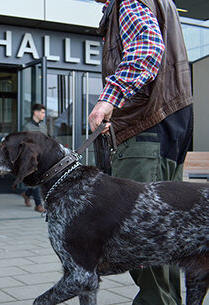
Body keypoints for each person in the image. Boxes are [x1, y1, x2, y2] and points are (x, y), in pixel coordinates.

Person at [89, 0, 193, 304]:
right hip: (167, 127)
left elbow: (147, 49)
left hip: (145, 129)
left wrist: (109, 99)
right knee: (163, 233)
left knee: (136, 233)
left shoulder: (128, 1)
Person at [21, 103, 47, 213]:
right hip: (31, 158)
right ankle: (38, 205)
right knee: (36, 178)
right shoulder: (27, 127)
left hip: (42, 157)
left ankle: (27, 194)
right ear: (35, 112)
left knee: (40, 180)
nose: (44, 115)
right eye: (42, 112)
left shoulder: (44, 126)